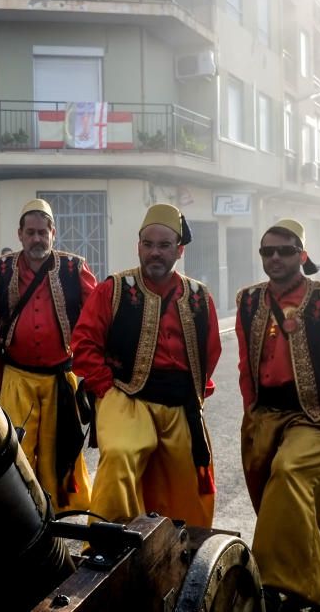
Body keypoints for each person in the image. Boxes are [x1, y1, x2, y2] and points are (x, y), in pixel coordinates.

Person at [236, 219, 320, 612]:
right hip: (265, 417)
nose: (275, 258)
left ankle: (280, 586)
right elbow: (246, 365)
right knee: (287, 504)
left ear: (303, 255)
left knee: (290, 472)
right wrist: (251, 409)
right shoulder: (248, 300)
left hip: (319, 418)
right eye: (267, 251)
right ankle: (315, 582)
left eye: (285, 250)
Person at [71, 203, 220, 527]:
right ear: (138, 246)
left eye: (164, 246)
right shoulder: (114, 289)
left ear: (179, 250)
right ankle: (108, 543)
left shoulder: (199, 297)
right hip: (126, 395)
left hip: (180, 404)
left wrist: (195, 395)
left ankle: (182, 553)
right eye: (148, 245)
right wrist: (105, 389)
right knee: (123, 454)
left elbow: (210, 352)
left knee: (191, 483)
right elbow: (83, 344)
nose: (155, 253)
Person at [0, 198, 97, 514]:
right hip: (16, 377)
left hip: (60, 380)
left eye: (43, 232)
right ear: (20, 234)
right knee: (14, 450)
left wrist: (97, 363)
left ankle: (58, 516)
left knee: (59, 453)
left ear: (53, 232)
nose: (37, 239)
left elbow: (97, 316)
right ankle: (19, 514)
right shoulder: (0, 269)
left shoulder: (74, 267)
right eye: (31, 233)